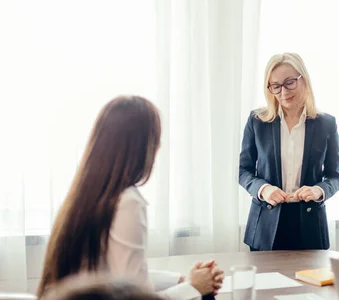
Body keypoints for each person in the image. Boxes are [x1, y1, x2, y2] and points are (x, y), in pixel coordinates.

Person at [38, 96, 224, 300]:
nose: (159, 147)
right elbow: (133, 296)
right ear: (141, 146)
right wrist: (193, 288)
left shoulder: (86, 194)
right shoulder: (128, 203)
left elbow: (121, 276)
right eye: (156, 139)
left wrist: (182, 280)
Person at [239, 53, 339, 251]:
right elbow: (243, 170)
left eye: (289, 83)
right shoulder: (257, 121)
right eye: (275, 86)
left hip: (310, 225)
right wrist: (263, 189)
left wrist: (318, 191)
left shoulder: (326, 124)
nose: (283, 92)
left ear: (303, 80)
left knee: (309, 282)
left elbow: (335, 176)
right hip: (265, 226)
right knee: (265, 282)